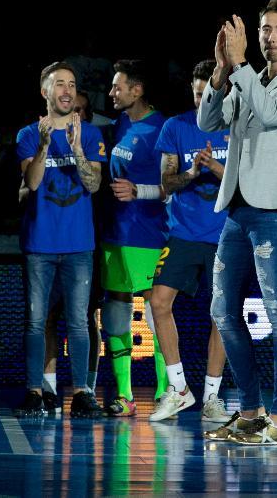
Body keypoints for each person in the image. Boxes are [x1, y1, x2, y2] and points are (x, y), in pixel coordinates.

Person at [199, 0, 277, 446]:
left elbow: (271, 116)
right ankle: (251, 410)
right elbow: (208, 119)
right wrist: (220, 72)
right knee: (222, 311)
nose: (270, 37)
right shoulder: (244, 79)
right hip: (237, 207)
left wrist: (240, 68)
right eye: (264, 29)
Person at [14, 61, 106, 418]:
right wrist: (43, 145)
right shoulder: (27, 134)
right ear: (45, 92)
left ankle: (82, 392)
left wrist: (78, 149)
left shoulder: (92, 134)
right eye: (59, 84)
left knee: (80, 321)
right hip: (39, 244)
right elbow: (33, 182)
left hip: (79, 244)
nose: (66, 91)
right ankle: (34, 391)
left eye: (71, 84)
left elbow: (94, 184)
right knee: (37, 321)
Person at [149, 59, 231, 423]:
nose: (202, 101)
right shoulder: (175, 127)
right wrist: (192, 171)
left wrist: (216, 169)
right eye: (198, 94)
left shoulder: (239, 127)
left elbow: (248, 181)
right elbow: (167, 183)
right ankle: (179, 389)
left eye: (208, 95)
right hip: (182, 232)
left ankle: (212, 397)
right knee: (158, 301)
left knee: (223, 314)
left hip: (227, 235)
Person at [101, 59, 169, 417]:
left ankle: (164, 392)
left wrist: (140, 191)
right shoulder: (120, 124)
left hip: (148, 234)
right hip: (116, 234)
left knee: (157, 311)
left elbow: (174, 187)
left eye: (117, 86)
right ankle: (124, 396)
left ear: (137, 90)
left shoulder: (162, 130)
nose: (111, 92)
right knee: (116, 311)